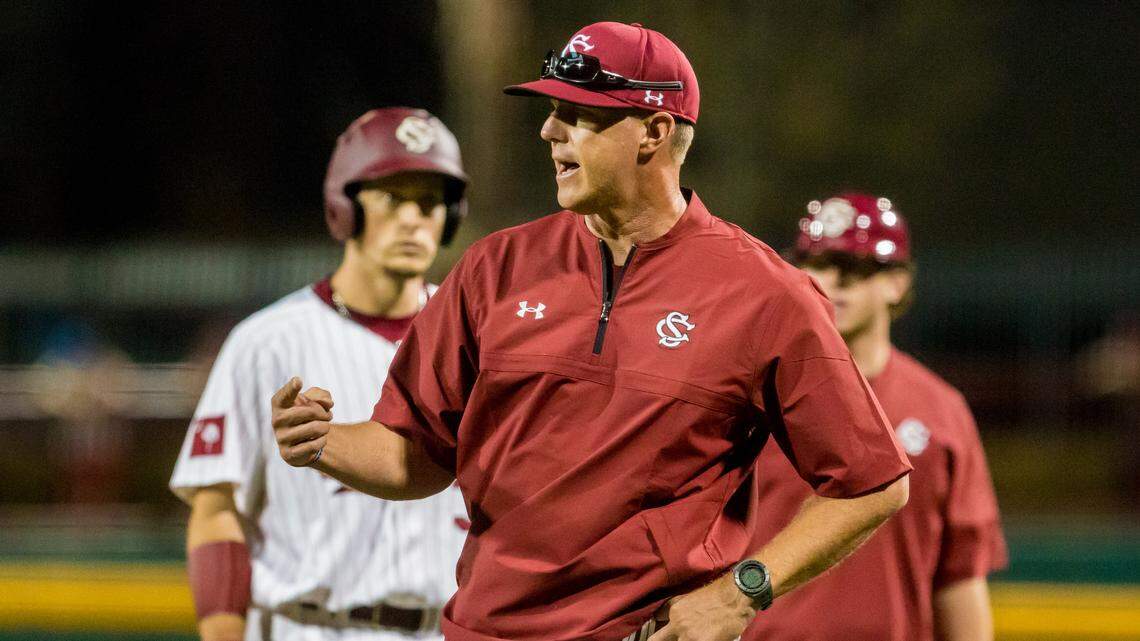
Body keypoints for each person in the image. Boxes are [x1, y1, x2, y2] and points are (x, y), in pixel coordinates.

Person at [272, 23, 911, 641]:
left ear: (655, 132)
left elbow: (872, 481)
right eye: (553, 112)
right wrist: (323, 441)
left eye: (580, 116)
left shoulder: (765, 294)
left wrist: (740, 593)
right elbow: (417, 456)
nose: (551, 132)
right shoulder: (496, 268)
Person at [170, 107, 470, 641]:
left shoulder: (476, 337)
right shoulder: (268, 342)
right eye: (392, 198)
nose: (412, 219)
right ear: (345, 207)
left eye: (429, 203)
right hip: (308, 627)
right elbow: (218, 509)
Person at [742, 193, 1008, 641]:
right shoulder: (750, 399)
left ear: (897, 283)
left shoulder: (941, 409)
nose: (833, 281)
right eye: (818, 263)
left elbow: (959, 572)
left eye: (856, 268)